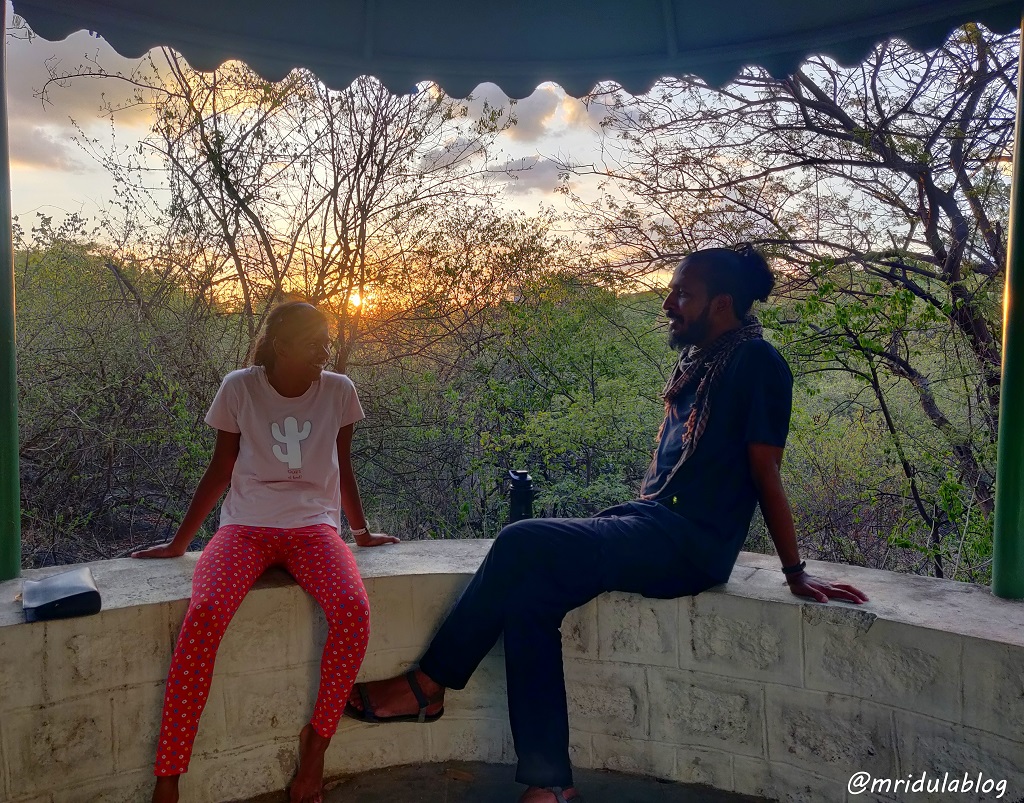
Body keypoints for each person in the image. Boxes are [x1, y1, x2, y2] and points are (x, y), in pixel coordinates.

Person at [343, 246, 869, 803]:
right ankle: (549, 786)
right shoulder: (703, 358)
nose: (668, 303)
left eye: (682, 294)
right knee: (530, 599)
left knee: (522, 539)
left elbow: (766, 470)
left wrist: (795, 571)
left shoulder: (757, 363)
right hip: (651, 522)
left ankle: (429, 685)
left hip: (690, 542)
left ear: (722, 304)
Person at [133, 300, 399, 803]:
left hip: (314, 529)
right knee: (206, 611)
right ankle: (168, 776)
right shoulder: (240, 387)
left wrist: (360, 532)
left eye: (327, 340)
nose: (325, 350)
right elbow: (220, 469)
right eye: (313, 342)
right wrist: (179, 543)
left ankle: (316, 747)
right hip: (246, 528)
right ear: (279, 346)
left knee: (353, 611)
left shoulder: (339, 391)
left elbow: (342, 465)